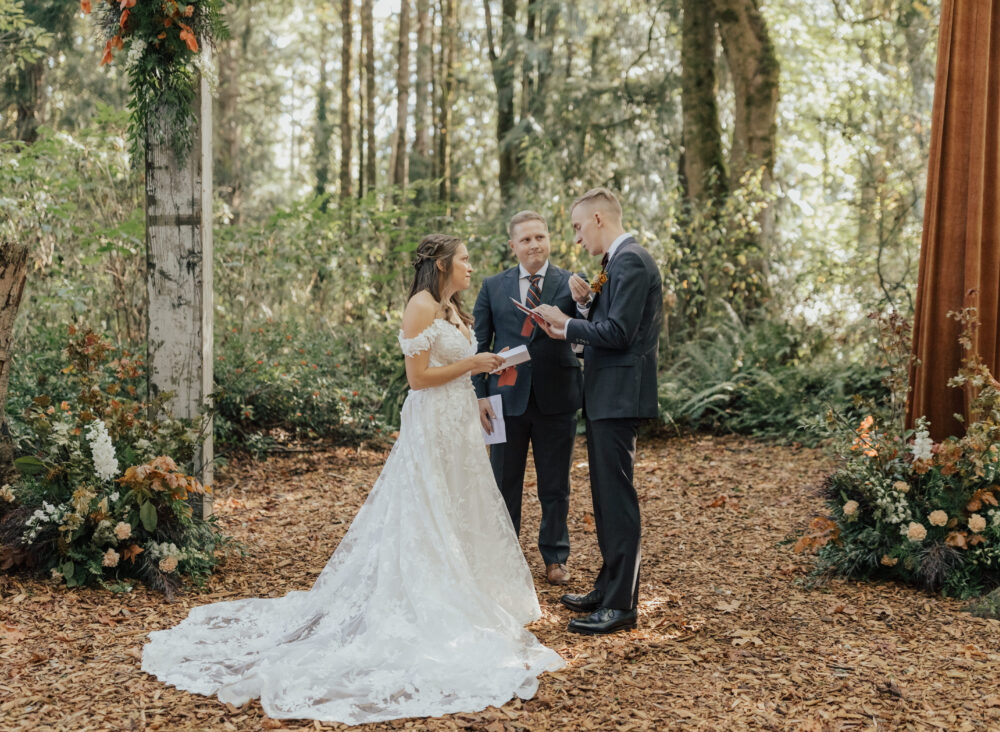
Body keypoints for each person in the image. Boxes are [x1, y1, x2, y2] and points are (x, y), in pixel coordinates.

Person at [141, 234, 564, 724]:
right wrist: (474, 363)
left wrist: (479, 389)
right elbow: (418, 379)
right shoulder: (421, 306)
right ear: (442, 264)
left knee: (461, 508)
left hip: (460, 423)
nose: (471, 266)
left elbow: (454, 372)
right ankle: (428, 597)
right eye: (465, 260)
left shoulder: (452, 308)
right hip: (432, 425)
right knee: (429, 509)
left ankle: (473, 590)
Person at [533, 188, 662, 636]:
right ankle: (609, 588)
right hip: (608, 394)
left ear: (599, 219)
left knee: (617, 500)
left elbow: (620, 333)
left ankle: (622, 605)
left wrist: (566, 321)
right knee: (606, 499)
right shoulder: (616, 263)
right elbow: (608, 327)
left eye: (577, 226)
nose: (576, 237)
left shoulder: (631, 261)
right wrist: (584, 309)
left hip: (620, 395)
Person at [472, 210, 582, 586]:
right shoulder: (492, 286)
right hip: (504, 400)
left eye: (540, 237)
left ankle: (555, 557)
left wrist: (584, 305)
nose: (534, 244)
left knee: (556, 485)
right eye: (526, 239)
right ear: (513, 246)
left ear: (549, 239)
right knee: (504, 483)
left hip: (558, 397)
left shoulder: (572, 283)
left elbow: (586, 332)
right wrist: (479, 396)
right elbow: (479, 344)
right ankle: (506, 557)